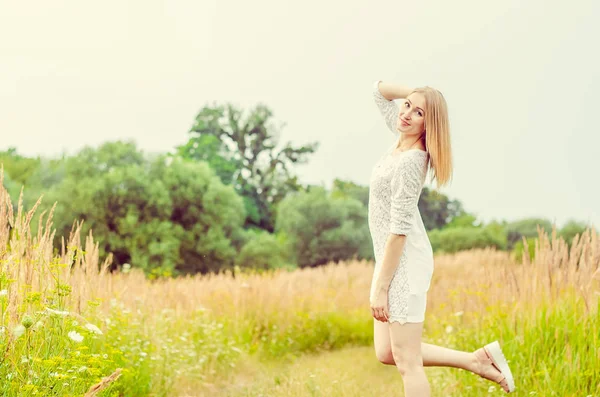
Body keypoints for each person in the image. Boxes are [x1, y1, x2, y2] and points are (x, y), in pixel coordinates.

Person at [368, 80, 516, 395]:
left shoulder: (411, 161)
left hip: (403, 263)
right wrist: (421, 94)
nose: (406, 114)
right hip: (389, 261)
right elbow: (378, 91)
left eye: (418, 113)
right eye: (407, 105)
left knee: (408, 362)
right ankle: (477, 361)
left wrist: (382, 287)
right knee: (386, 352)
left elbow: (399, 231)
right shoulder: (401, 139)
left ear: (428, 124)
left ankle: (478, 362)